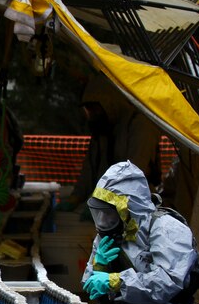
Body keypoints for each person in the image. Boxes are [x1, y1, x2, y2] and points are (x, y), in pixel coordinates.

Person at [80, 161, 199, 304]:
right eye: (99, 213)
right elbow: (92, 286)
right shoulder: (108, 235)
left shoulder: (167, 229)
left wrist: (117, 281)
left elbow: (167, 281)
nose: (103, 221)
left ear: (128, 206)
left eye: (108, 212)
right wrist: (99, 266)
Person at [59, 76, 161, 212]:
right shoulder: (105, 127)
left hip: (136, 207)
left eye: (95, 108)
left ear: (109, 102)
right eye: (89, 110)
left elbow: (134, 172)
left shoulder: (140, 125)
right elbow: (90, 169)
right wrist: (76, 197)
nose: (92, 114)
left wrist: (103, 202)